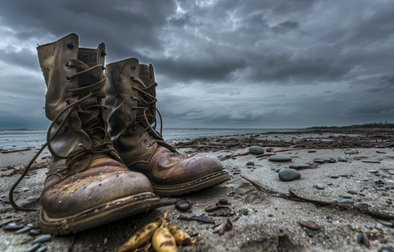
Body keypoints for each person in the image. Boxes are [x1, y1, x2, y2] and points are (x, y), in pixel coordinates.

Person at [9, 33, 229, 235]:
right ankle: (72, 156)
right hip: (74, 156)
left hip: (117, 152)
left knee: (133, 116)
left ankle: (131, 147)